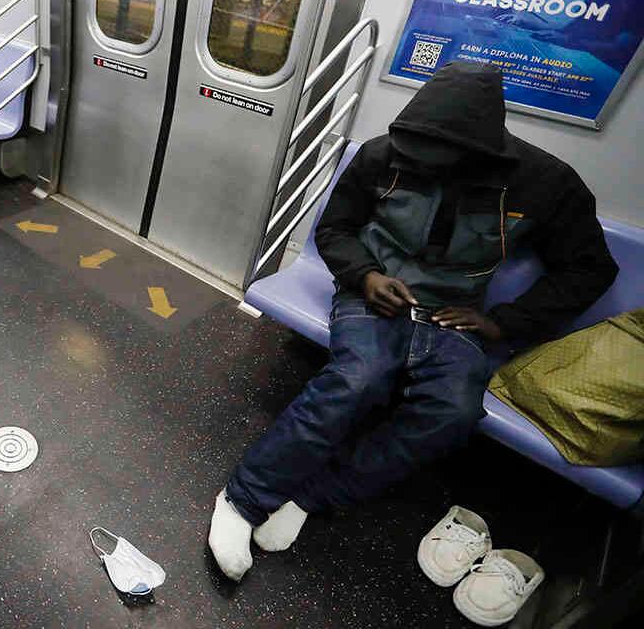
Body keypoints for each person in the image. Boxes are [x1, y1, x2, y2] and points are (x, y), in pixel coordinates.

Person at [208, 61, 618, 580]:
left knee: (453, 413)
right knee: (357, 381)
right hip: (374, 295)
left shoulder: (545, 184)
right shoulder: (385, 155)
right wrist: (365, 276)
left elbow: (590, 268)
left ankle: (312, 498)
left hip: (456, 317)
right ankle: (243, 499)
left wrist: (505, 322)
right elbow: (336, 229)